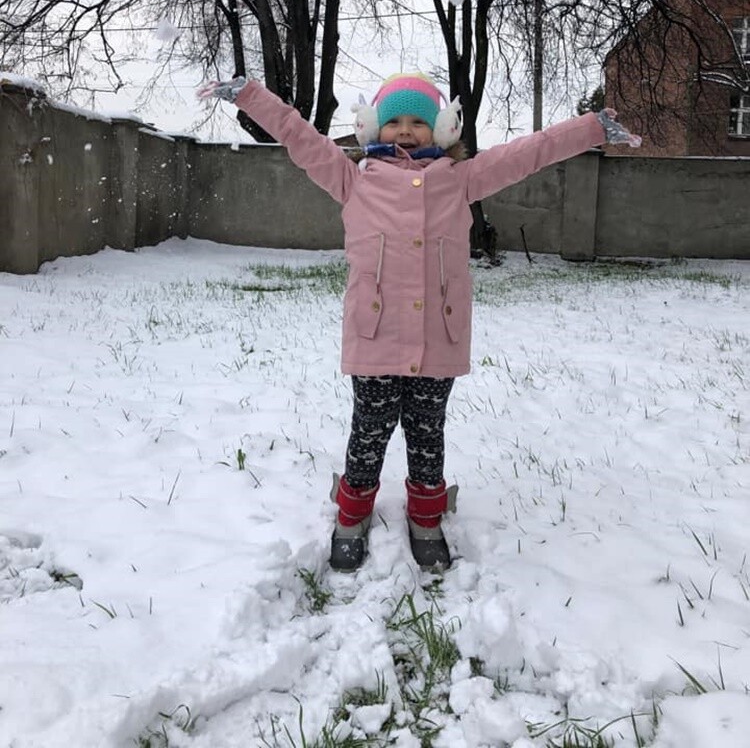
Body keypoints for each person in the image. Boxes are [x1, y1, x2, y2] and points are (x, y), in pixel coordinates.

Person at [198, 72, 639, 573]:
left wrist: (592, 129)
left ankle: (426, 517)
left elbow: (527, 153)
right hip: (376, 333)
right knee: (370, 429)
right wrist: (251, 96)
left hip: (438, 335)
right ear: (371, 128)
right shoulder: (353, 179)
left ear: (442, 130)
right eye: (393, 122)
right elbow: (300, 137)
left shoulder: (461, 179)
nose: (405, 132)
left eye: (418, 122)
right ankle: (352, 514)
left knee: (428, 433)